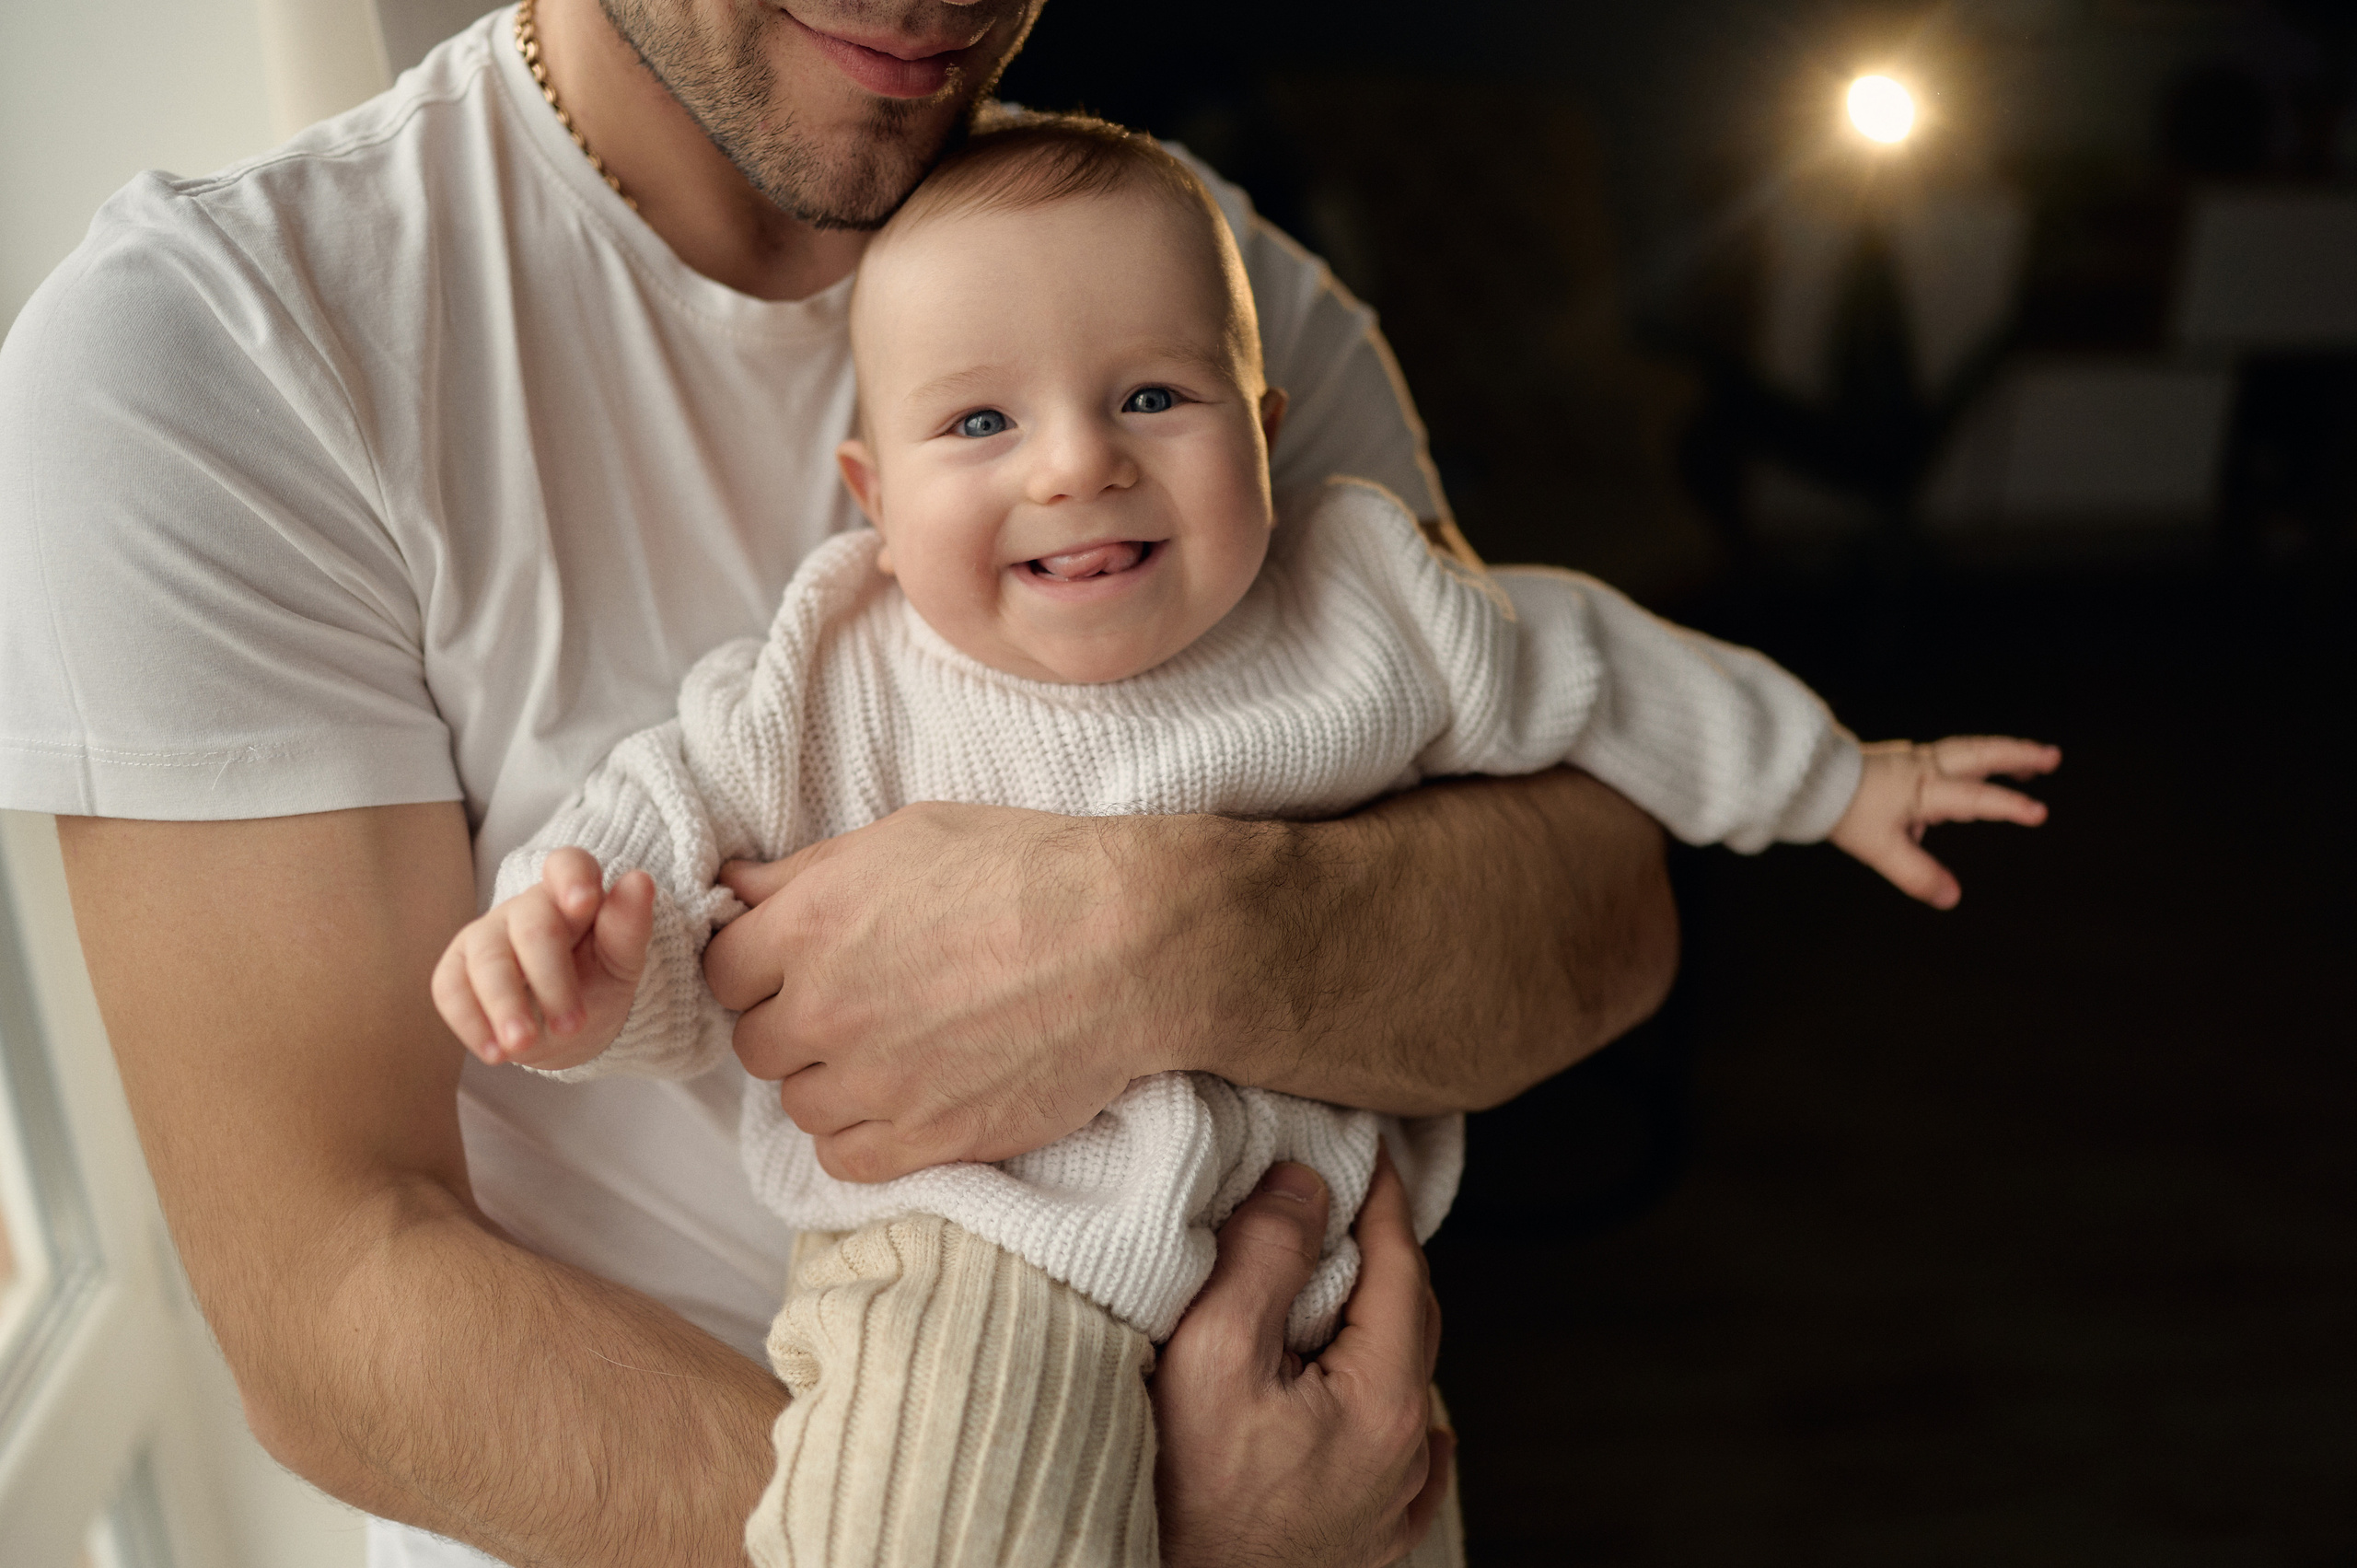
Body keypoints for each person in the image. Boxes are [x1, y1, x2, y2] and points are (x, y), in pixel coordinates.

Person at [0, 2, 1689, 1563]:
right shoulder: (219, 345)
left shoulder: (1191, 266)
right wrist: (1105, 1529)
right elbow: (329, 1301)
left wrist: (1159, 934)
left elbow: (1604, 912)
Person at [433, 114, 2058, 1568]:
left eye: (1152, 394)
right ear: (871, 491)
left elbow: (1598, 672)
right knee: (927, 1520)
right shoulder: (830, 674)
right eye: (980, 423)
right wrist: (580, 974)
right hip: (972, 1254)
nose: (1078, 462)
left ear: (1264, 427)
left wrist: (1834, 778)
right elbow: (666, 879)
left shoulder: (1362, 606)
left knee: (1382, 1506)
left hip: (1313, 1286)